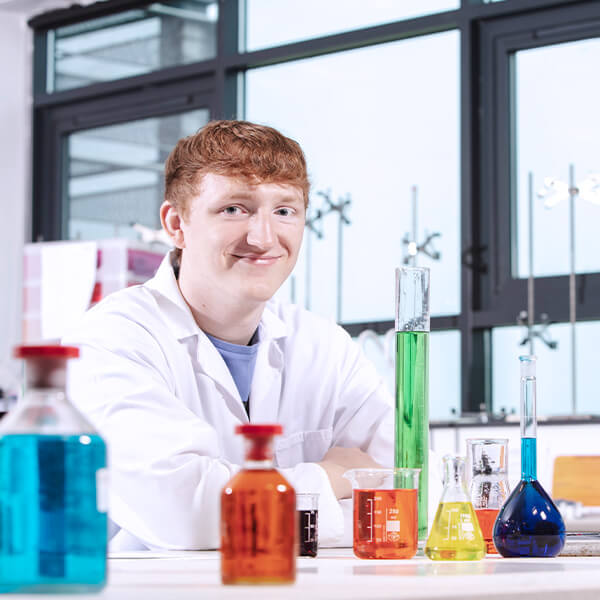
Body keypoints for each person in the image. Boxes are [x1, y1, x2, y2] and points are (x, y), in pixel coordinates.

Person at [64, 120, 394, 551]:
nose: (263, 237)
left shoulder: (325, 346)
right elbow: (184, 513)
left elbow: (397, 501)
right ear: (175, 223)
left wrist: (238, 506)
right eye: (234, 209)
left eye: (284, 211)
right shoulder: (111, 341)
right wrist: (329, 477)